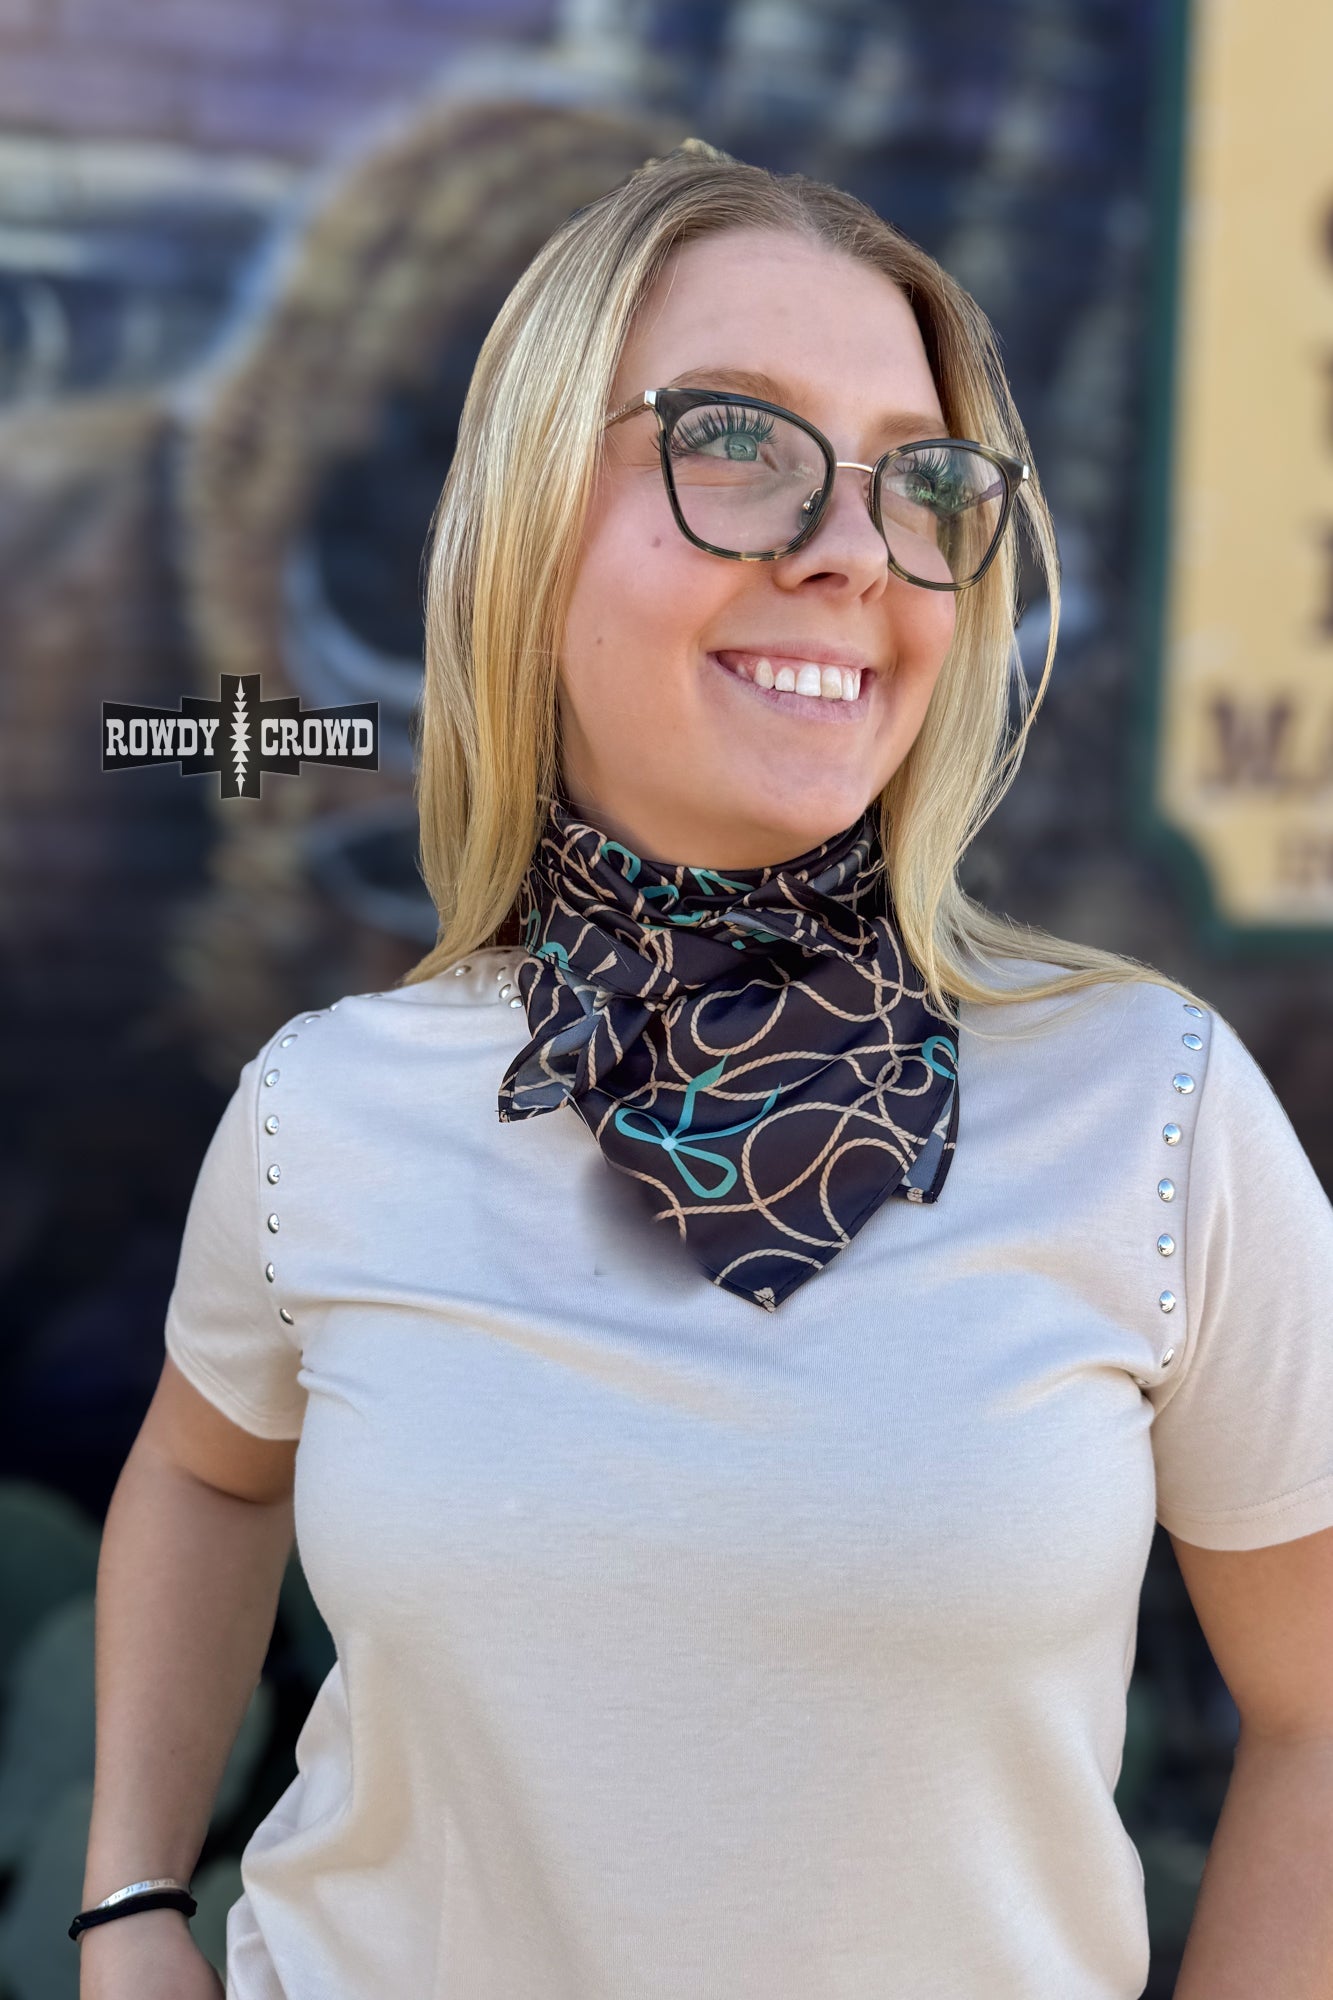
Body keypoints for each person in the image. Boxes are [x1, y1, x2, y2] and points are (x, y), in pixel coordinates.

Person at [78, 141, 1333, 2000]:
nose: (851, 549)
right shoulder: (323, 1113)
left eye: (919, 479)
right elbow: (202, 1478)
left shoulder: (1151, 1115)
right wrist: (128, 1907)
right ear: (528, 521)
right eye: (736, 443)